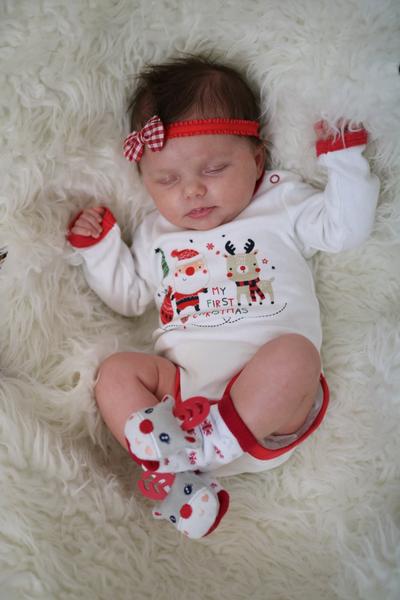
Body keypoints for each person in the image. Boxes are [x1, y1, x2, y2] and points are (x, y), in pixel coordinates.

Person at [67, 56, 380, 539]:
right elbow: (128, 298)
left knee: (296, 356)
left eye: (214, 169)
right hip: (180, 402)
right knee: (115, 374)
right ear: (145, 180)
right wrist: (100, 250)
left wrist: (344, 162)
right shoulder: (155, 232)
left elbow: (344, 230)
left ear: (257, 159)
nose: (193, 190)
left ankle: (200, 455)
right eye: (167, 180)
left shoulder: (279, 203)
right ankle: (175, 472)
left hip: (265, 406)